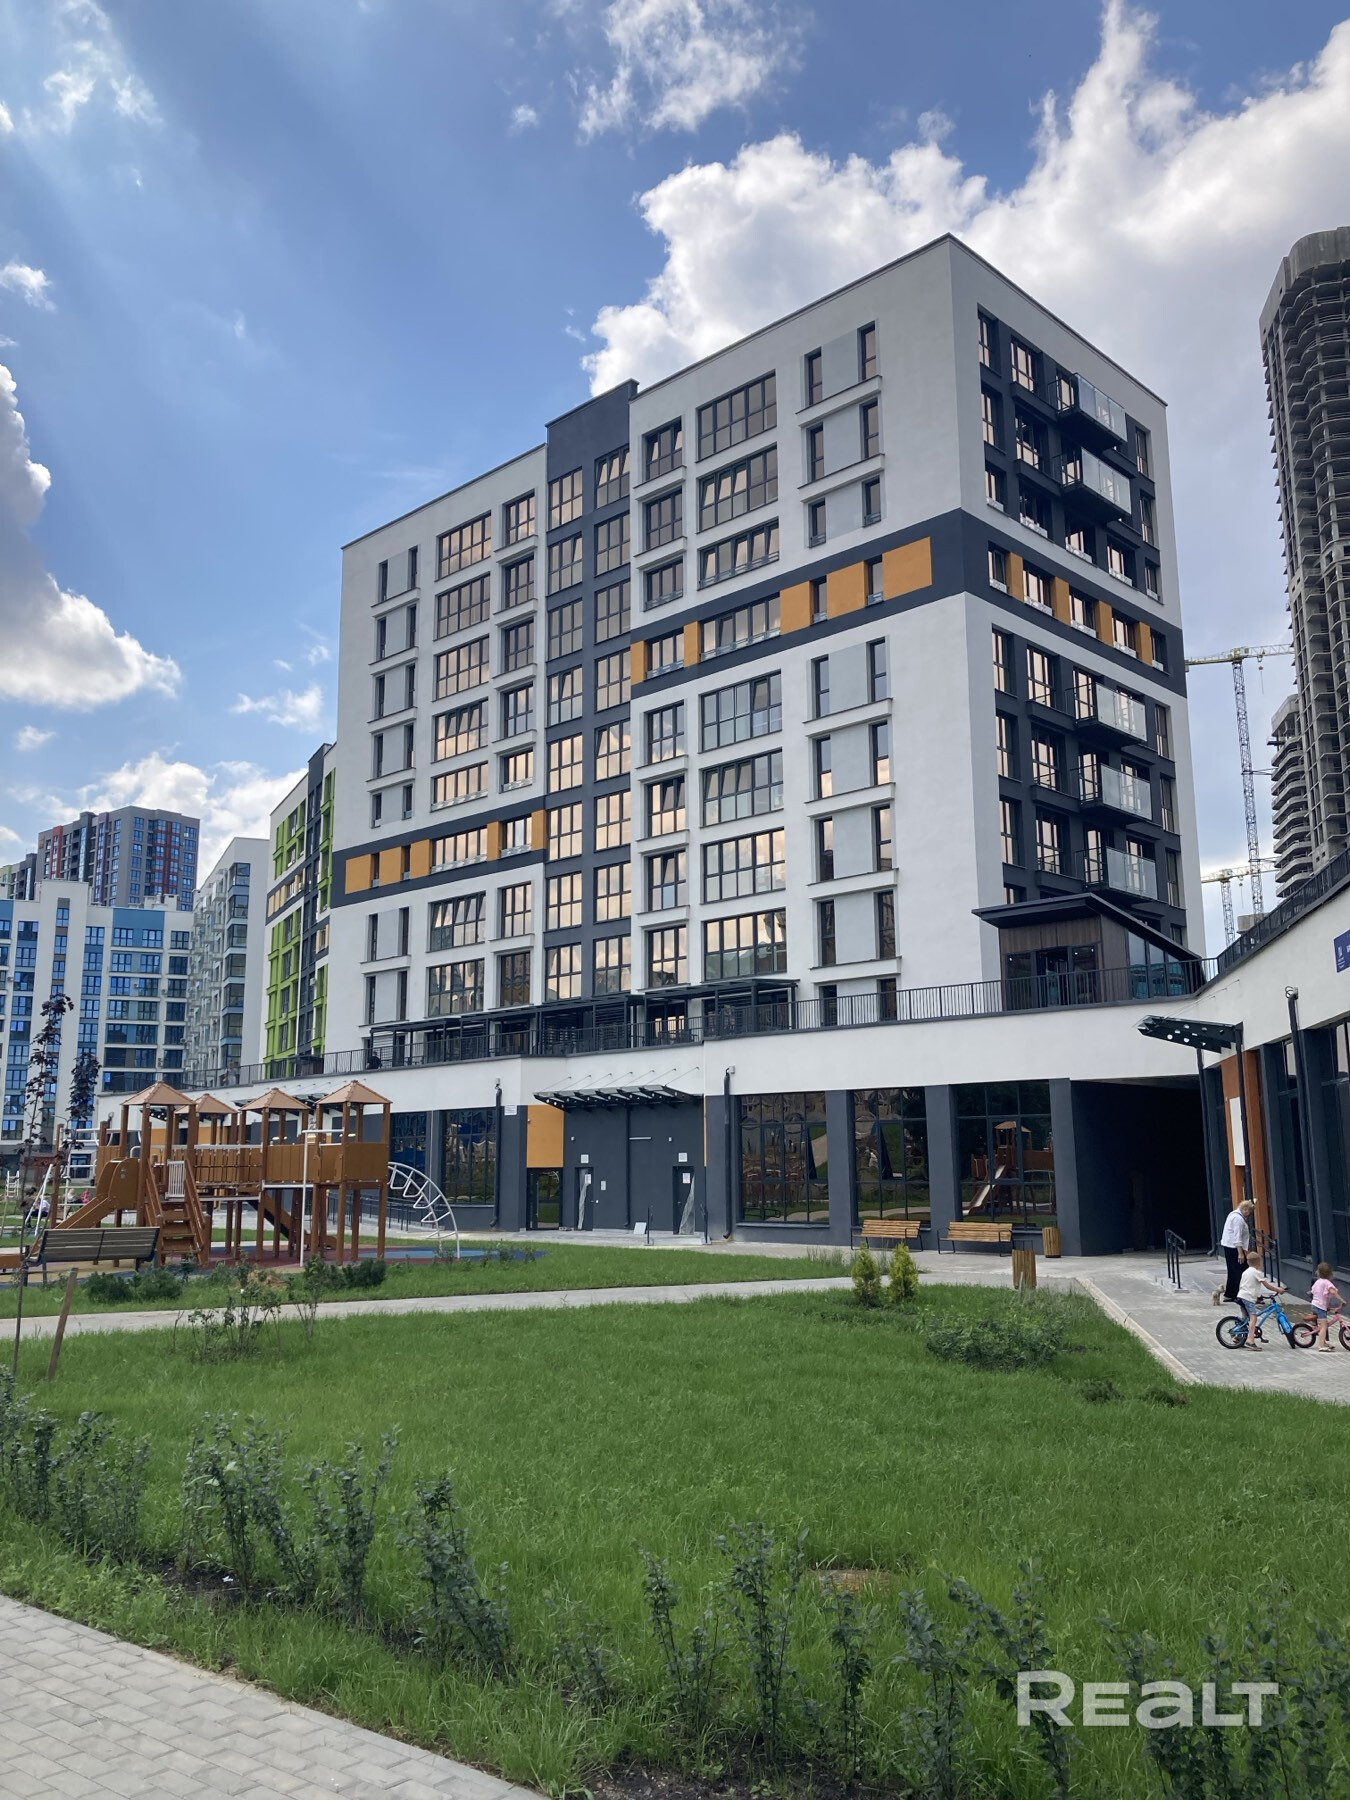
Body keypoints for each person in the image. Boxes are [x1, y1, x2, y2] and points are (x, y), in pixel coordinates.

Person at [1237, 1248, 1283, 1350]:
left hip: (1241, 1296)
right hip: (1248, 1298)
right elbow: (1267, 1285)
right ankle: (1250, 1341)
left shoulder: (1246, 1271)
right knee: (1253, 1317)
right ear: (1258, 1263)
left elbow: (1247, 1284)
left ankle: (1238, 1337)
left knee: (1245, 1318)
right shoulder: (1256, 1272)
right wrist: (1278, 1290)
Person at [1220, 1199, 1254, 1302]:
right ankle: (1237, 1294)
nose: (1249, 1215)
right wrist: (1240, 1253)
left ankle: (1231, 1294)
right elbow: (1237, 1236)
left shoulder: (1233, 1214)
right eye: (1249, 1212)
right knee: (1241, 1271)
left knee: (1233, 1271)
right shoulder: (1238, 1219)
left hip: (1229, 1246)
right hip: (1234, 1248)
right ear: (1245, 1209)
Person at [1310, 1262, 1343, 1354]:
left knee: (1323, 1324)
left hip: (1316, 1304)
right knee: (1324, 1326)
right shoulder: (1327, 1282)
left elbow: (1313, 1291)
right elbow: (1333, 1292)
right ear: (1330, 1273)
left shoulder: (1318, 1281)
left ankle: (1323, 1342)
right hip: (1320, 1307)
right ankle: (1321, 1346)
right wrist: (1342, 1300)